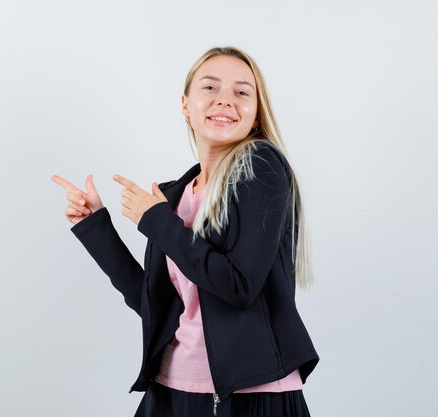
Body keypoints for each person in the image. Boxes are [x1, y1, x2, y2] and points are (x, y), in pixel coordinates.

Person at [51, 46, 320, 417]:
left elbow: (239, 286)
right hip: (170, 390)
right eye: (210, 88)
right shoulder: (176, 194)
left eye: (242, 92)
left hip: (248, 397)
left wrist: (156, 219)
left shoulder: (262, 167)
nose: (225, 100)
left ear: (256, 113)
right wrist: (95, 226)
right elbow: (154, 304)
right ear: (185, 105)